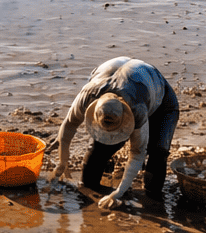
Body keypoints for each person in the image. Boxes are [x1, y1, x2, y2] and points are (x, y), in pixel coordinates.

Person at [51, 56, 180, 209]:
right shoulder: (87, 96)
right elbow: (68, 126)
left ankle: (152, 200)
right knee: (99, 151)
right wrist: (62, 162)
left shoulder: (137, 108)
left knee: (157, 152)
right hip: (127, 80)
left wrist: (118, 193)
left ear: (126, 118)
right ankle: (97, 177)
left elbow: (137, 152)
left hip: (161, 100)